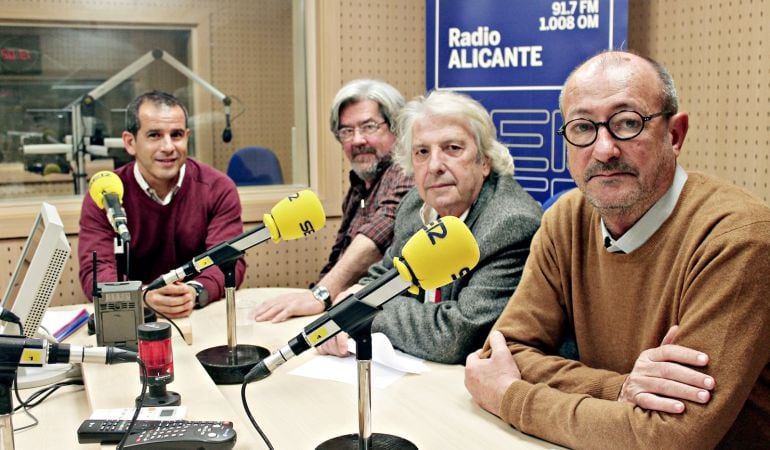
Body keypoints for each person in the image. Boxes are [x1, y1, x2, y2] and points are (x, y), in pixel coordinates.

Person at [464, 50, 770, 448]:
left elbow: (669, 436)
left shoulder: (738, 238)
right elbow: (504, 352)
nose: (604, 149)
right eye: (582, 127)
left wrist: (512, 398)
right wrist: (620, 388)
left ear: (674, 135)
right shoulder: (565, 219)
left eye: (628, 123)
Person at [317, 90, 542, 364]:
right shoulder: (416, 205)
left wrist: (363, 310)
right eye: (422, 152)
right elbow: (384, 276)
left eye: (453, 149)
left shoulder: (511, 223)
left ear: (485, 161)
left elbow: (456, 336)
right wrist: (353, 300)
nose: (434, 165)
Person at [253, 79, 414, 321]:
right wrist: (314, 294)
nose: (357, 140)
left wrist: (319, 295)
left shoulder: (406, 172)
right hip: (344, 311)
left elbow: (378, 234)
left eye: (369, 127)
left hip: (380, 319)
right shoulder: (360, 184)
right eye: (347, 131)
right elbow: (339, 255)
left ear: (396, 128)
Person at [78, 91, 246, 319]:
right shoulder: (106, 194)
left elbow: (229, 263)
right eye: (155, 135)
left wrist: (195, 292)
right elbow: (95, 272)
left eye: (176, 135)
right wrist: (142, 296)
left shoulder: (218, 188)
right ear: (130, 142)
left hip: (197, 316)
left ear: (187, 137)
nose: (168, 147)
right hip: (133, 319)